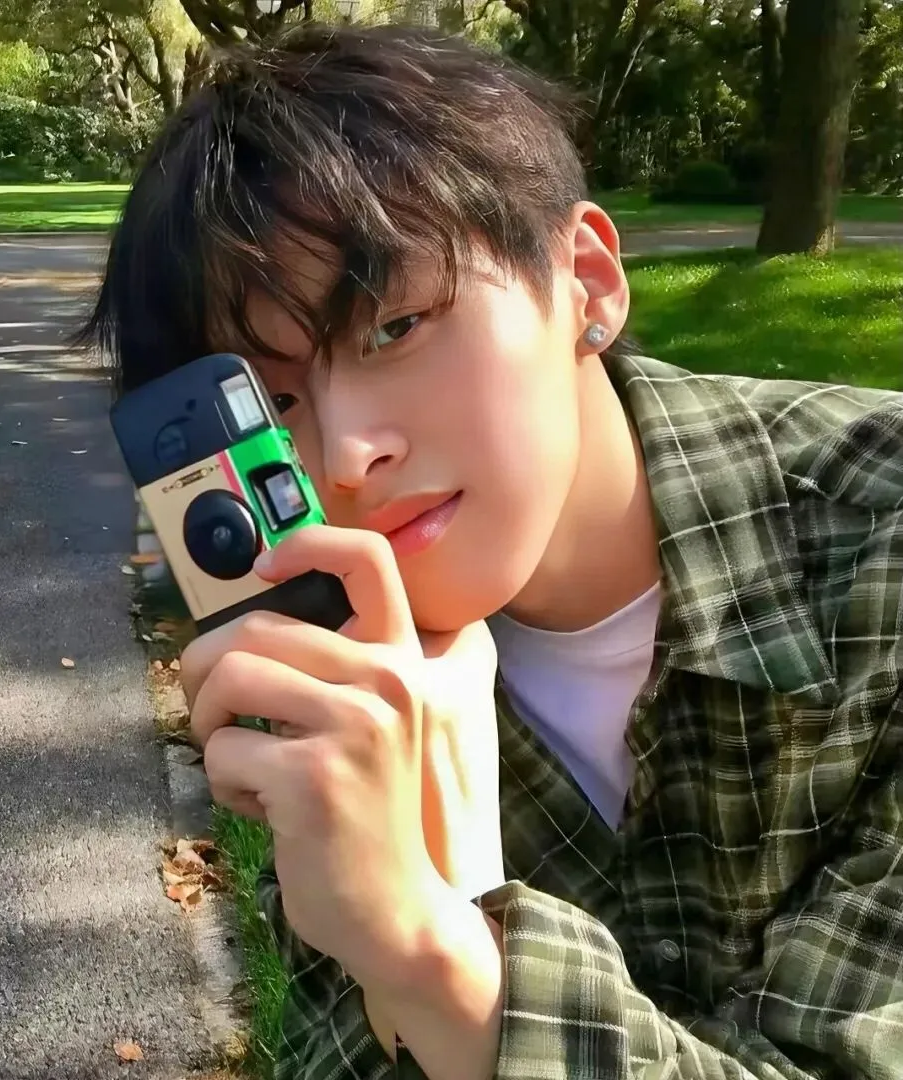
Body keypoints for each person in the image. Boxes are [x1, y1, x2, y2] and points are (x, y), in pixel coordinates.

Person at [81, 22, 903, 1080]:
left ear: (588, 282)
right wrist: (410, 911)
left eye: (395, 328)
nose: (348, 455)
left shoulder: (879, 541)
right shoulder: (334, 666)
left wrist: (442, 958)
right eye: (273, 403)